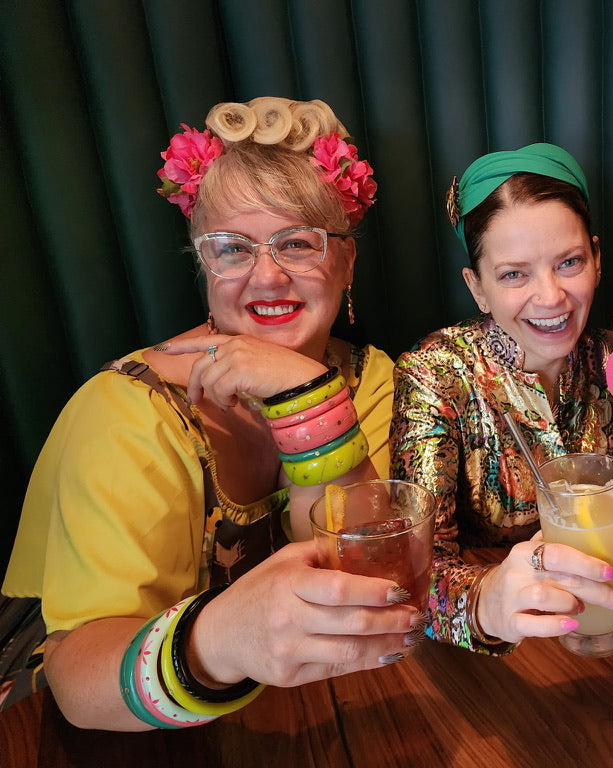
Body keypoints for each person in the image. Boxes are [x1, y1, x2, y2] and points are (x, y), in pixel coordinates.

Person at [0, 97, 422, 728]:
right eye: (232, 248)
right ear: (203, 262)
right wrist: (216, 642)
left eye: (297, 243)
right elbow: (78, 683)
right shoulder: (125, 412)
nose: (267, 276)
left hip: (291, 714)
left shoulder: (369, 378)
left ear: (348, 260)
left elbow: (360, 579)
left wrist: (306, 400)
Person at [390, 144, 613, 652]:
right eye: (514, 274)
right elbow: (412, 572)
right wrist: (486, 603)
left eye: (569, 263)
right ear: (477, 288)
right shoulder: (437, 372)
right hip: (495, 659)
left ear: (597, 258)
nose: (550, 297)